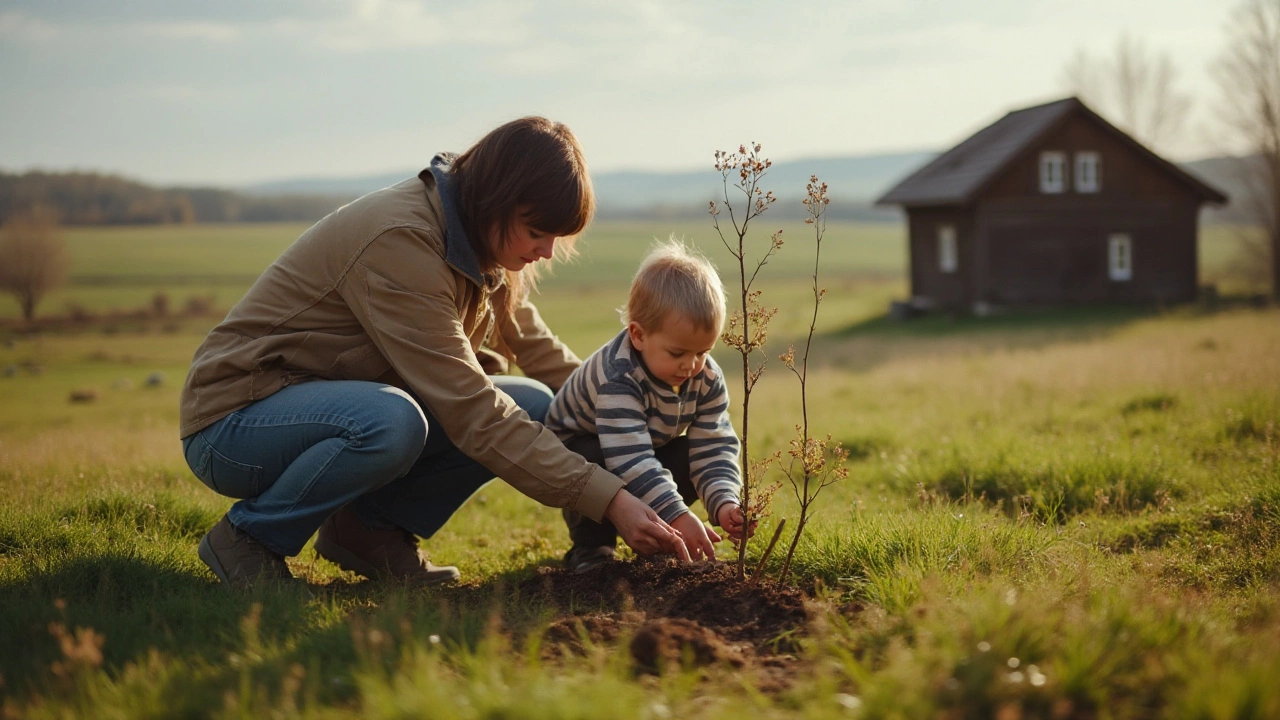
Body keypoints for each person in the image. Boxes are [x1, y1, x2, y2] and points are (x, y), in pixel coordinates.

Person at [179, 117, 689, 589]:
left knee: (534, 403)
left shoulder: (477, 241)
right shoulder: (403, 242)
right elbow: (472, 412)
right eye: (537, 233)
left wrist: (632, 411)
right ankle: (248, 540)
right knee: (393, 420)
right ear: (498, 199)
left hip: (321, 410)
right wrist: (611, 500)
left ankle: (367, 532)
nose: (547, 252)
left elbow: (538, 350)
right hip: (235, 424)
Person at [544, 239, 751, 573]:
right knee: (593, 461)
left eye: (703, 352)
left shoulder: (706, 377)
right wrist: (678, 515)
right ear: (638, 335)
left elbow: (713, 445)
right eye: (678, 353)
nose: (692, 365)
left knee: (686, 454)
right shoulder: (619, 377)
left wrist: (724, 500)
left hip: (640, 450)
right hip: (578, 454)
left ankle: (657, 538)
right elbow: (628, 459)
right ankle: (592, 547)